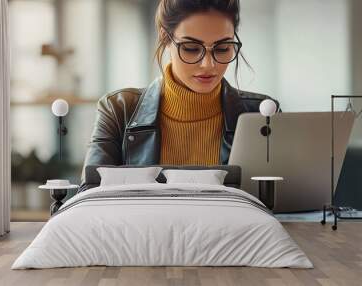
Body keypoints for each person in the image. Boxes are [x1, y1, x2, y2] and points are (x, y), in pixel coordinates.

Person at [79, 0, 280, 192]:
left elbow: (284, 196)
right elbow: (89, 196)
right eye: (191, 49)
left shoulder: (261, 113)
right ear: (165, 38)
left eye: (222, 48)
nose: (208, 64)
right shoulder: (117, 109)